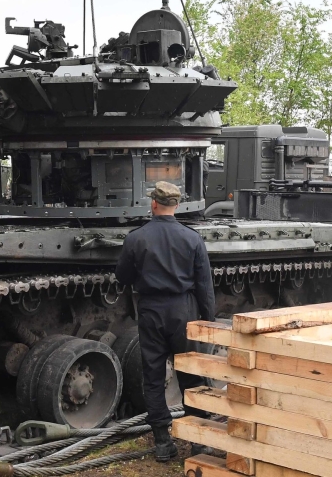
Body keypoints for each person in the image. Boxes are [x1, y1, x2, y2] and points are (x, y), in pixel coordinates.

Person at [114, 181, 216, 462]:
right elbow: (204, 285)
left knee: (154, 377)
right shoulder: (192, 238)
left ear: (154, 204)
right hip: (183, 310)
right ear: (177, 205)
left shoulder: (136, 238)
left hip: (151, 311)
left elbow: (122, 276)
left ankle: (162, 442)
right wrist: (208, 320)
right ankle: (197, 443)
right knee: (191, 375)